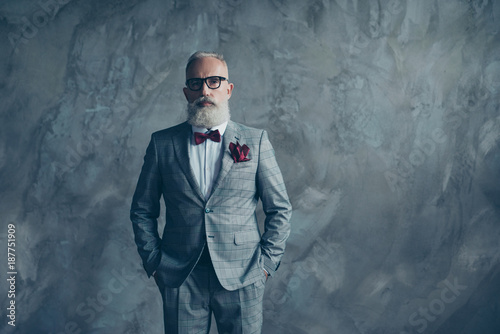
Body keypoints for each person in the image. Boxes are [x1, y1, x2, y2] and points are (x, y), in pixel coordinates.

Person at [130, 51, 292, 334]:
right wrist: (155, 263)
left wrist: (265, 265)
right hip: (180, 276)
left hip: (243, 276)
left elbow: (280, 209)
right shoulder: (162, 143)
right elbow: (142, 210)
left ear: (228, 89)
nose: (205, 90)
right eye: (196, 83)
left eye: (214, 81)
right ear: (186, 92)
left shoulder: (256, 141)